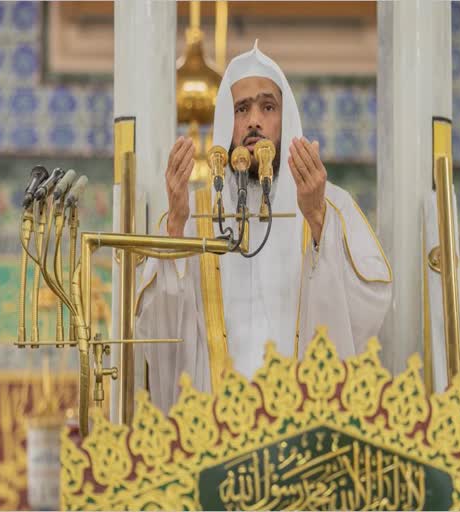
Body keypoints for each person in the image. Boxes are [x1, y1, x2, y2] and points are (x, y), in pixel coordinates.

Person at [135, 42, 392, 411]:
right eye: (242, 109)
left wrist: (319, 223)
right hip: (216, 432)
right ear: (228, 121)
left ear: (285, 122)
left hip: (303, 427)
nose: (254, 120)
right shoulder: (195, 217)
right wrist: (175, 228)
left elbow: (371, 308)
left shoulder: (330, 206)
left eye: (267, 107)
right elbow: (156, 332)